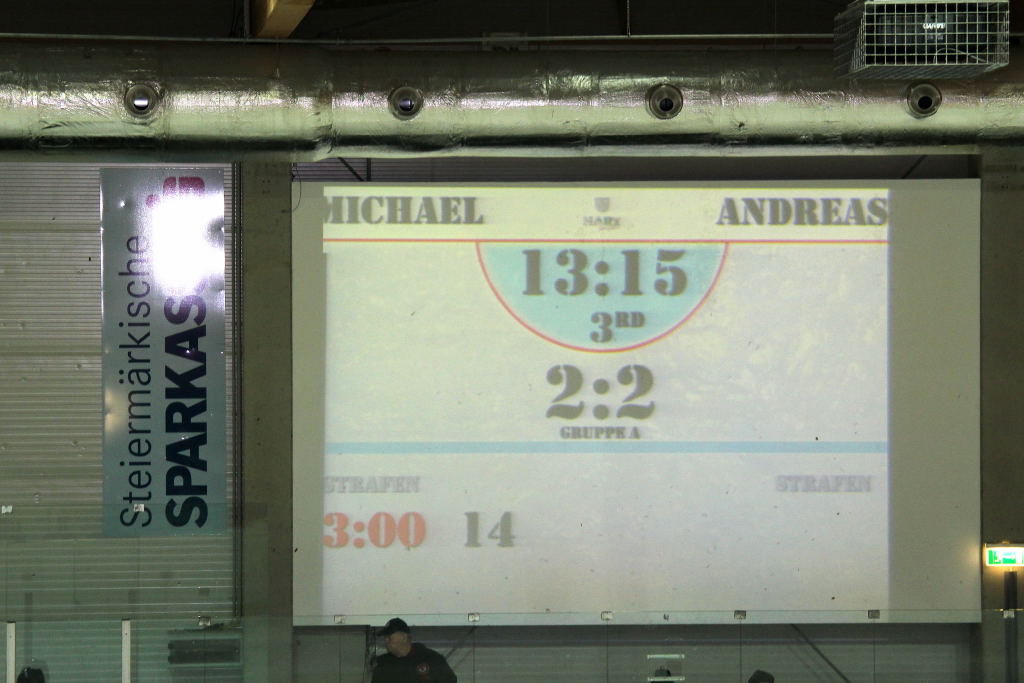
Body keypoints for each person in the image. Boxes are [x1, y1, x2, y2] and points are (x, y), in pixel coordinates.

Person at [370, 617, 457, 683]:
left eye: (389, 637)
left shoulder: (432, 659)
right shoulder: (383, 664)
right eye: (385, 638)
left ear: (404, 637)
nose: (386, 641)